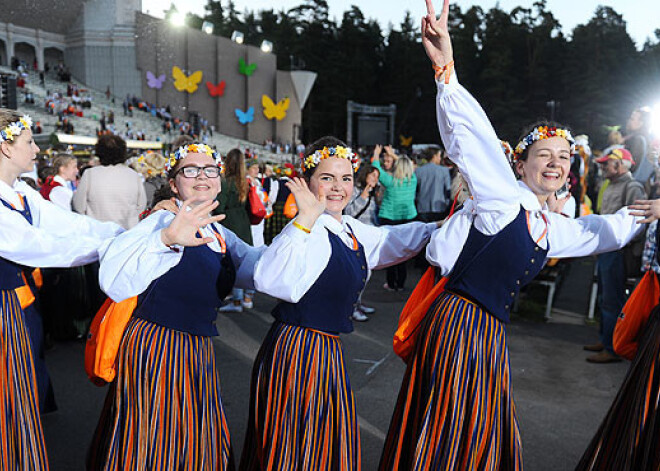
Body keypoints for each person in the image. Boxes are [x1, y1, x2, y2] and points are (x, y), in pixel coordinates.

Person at [378, 2, 659, 469]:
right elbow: (472, 138)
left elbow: (598, 233)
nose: (555, 163)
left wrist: (647, 214)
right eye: (544, 155)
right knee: (455, 434)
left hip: (484, 334)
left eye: (564, 158)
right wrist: (445, 70)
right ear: (520, 165)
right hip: (459, 329)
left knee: (479, 433)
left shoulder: (547, 227)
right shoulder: (500, 198)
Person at [239, 136, 438, 471]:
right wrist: (304, 221)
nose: (338, 188)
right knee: (294, 447)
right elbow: (269, 280)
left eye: (345, 178)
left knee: (321, 446)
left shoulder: (347, 227)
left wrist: (445, 225)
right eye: (327, 178)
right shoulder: (305, 228)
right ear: (307, 181)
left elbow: (393, 240)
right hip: (297, 352)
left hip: (324, 351)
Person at [88, 143, 263, 470]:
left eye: (210, 170)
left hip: (197, 349)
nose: (202, 176)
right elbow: (113, 275)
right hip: (157, 347)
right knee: (153, 442)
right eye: (190, 170)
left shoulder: (218, 231)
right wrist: (165, 238)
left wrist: (306, 227)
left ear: (220, 179)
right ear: (173, 183)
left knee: (194, 441)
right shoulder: (160, 221)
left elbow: (259, 269)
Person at [0, 110, 122, 469]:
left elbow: (70, 224)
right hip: (5, 311)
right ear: (5, 148)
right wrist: (116, 245)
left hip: (19, 306)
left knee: (21, 391)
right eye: (28, 142)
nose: (36, 150)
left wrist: (121, 233)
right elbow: (42, 246)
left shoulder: (20, 192)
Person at [584, 148, 646, 363]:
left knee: (612, 300)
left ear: (620, 166)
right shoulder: (611, 185)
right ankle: (606, 340)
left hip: (618, 253)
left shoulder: (633, 187)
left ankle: (612, 348)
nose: (602, 167)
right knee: (604, 297)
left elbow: (640, 222)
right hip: (606, 250)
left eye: (607, 164)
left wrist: (626, 247)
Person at [72, 135, 147, 229]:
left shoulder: (90, 174)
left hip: (97, 232)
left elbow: (79, 206)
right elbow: (141, 206)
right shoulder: (133, 175)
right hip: (125, 232)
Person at [371, 147, 418, 291]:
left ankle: (391, 283)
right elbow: (407, 165)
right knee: (403, 250)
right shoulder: (413, 180)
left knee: (390, 250)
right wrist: (393, 154)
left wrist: (377, 153)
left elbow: (375, 166)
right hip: (407, 217)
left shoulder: (390, 181)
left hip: (389, 218)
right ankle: (401, 283)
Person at [215, 148, 254, 313]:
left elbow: (220, 208)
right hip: (244, 221)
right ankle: (247, 297)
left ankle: (237, 300)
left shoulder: (226, 182)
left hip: (230, 221)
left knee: (234, 261)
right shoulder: (246, 182)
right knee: (247, 259)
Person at [344, 163, 381, 321]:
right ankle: (351, 307)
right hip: (355, 237)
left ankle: (357, 303)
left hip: (368, 238)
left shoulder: (374, 194)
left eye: (377, 177)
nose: (375, 179)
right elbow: (350, 213)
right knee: (358, 274)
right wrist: (365, 194)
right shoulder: (355, 191)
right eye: (372, 175)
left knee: (366, 273)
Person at [415, 145, 452, 221]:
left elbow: (415, 190)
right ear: (434, 156)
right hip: (440, 207)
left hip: (422, 207)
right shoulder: (444, 171)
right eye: (439, 156)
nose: (440, 158)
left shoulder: (418, 171)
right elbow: (448, 189)